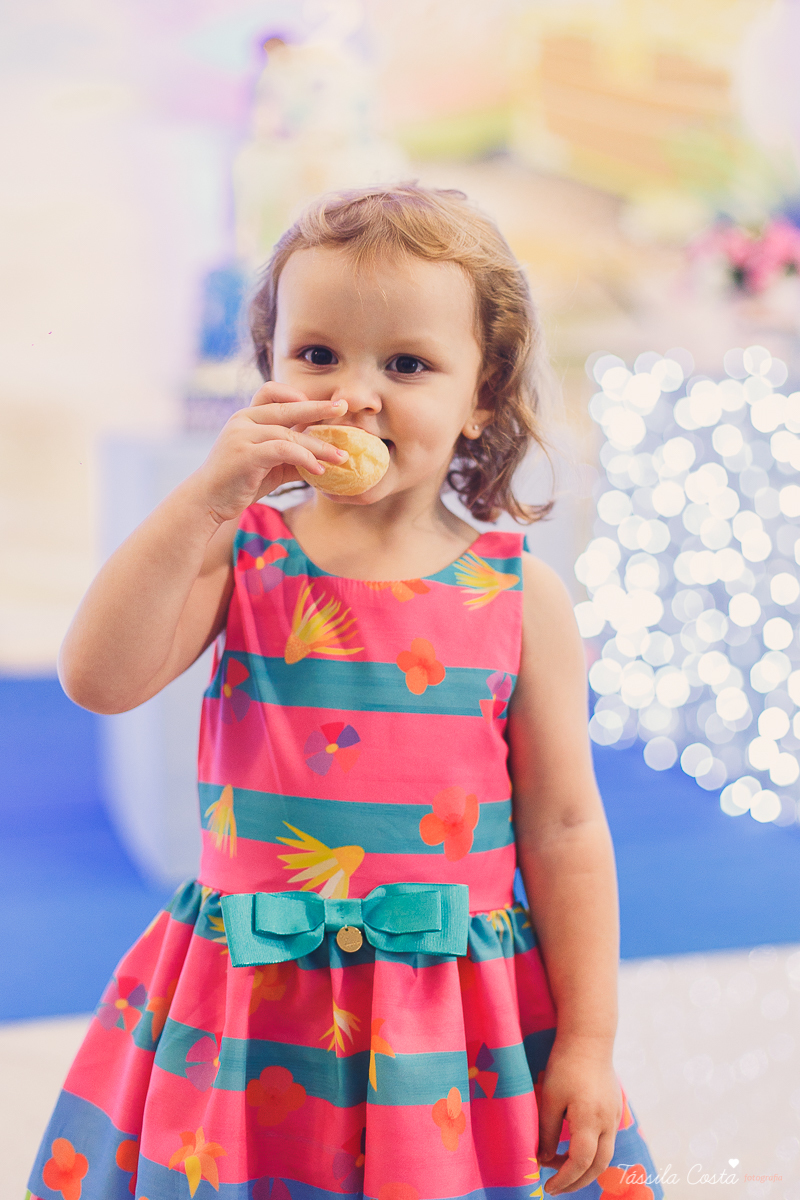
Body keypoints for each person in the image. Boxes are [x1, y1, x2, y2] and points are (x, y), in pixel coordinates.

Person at [27, 184, 663, 1200]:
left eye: (405, 364)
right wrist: (201, 499)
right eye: (317, 354)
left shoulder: (517, 593)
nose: (352, 394)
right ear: (271, 370)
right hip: (250, 1001)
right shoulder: (239, 555)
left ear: (482, 393)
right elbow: (98, 679)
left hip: (447, 1014)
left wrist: (585, 1042)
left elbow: (562, 828)